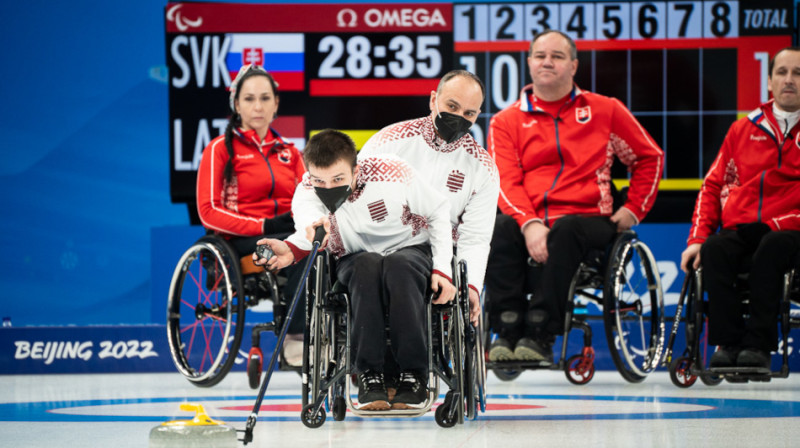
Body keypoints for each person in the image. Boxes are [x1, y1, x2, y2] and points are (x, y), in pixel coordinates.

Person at [485, 30, 664, 362]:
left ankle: (540, 332)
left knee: (567, 230)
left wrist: (634, 209)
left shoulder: (605, 110)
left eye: (557, 56)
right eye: (540, 56)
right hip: (531, 219)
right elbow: (504, 183)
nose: (547, 62)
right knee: (498, 228)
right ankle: (506, 328)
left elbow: (649, 156)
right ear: (529, 63)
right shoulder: (504, 121)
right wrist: (530, 224)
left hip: (589, 221)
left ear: (574, 65)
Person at [254, 129, 456, 411]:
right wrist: (290, 248)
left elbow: (438, 210)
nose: (329, 187)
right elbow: (313, 230)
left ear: (356, 169)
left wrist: (443, 269)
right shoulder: (307, 191)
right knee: (366, 265)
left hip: (411, 249)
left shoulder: (393, 171)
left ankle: (414, 374)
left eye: (338, 179)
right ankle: (369, 375)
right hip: (355, 257)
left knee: (398, 265)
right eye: (320, 180)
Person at [680, 47, 800, 370]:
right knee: (716, 248)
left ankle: (759, 347)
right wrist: (697, 240)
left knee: (773, 245)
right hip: (744, 229)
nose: (789, 80)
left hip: (792, 234)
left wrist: (779, 223)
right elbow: (712, 186)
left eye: (798, 73)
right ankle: (728, 344)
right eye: (782, 72)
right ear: (770, 81)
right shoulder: (743, 129)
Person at [359, 69, 500, 327]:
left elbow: (476, 238)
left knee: (402, 266)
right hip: (377, 243)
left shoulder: (482, 167)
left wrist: (471, 286)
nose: (458, 117)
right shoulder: (389, 141)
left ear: (478, 115)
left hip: (435, 255)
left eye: (469, 113)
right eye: (451, 106)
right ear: (433, 99)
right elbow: (355, 199)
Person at [196, 64, 306, 366]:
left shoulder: (290, 152)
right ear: (236, 104)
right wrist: (264, 224)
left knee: (330, 249)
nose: (258, 106)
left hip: (288, 233)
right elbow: (207, 213)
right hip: (241, 243)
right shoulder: (219, 149)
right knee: (305, 252)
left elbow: (311, 199)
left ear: (276, 103)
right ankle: (296, 339)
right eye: (249, 99)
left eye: (265, 98)